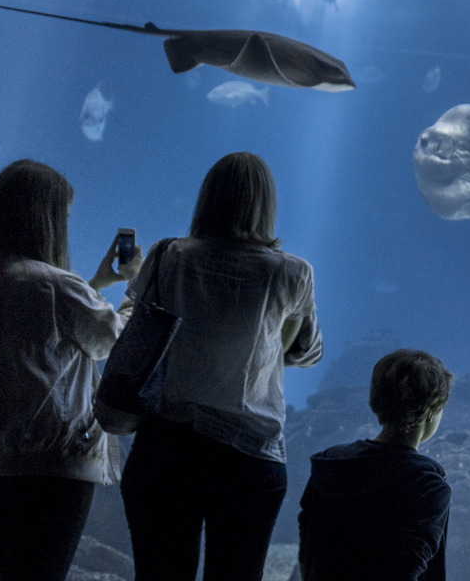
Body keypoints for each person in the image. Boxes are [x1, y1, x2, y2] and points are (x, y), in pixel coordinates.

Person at [119, 151, 323, 581]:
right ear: (267, 204)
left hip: (165, 450)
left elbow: (137, 326)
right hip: (247, 457)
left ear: (206, 198)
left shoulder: (165, 255)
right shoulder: (292, 273)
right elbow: (306, 352)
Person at [0, 159, 139, 581]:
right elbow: (114, 342)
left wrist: (95, 285)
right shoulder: (56, 286)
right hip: (47, 473)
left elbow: (45, 333)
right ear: (43, 219)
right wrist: (135, 286)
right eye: (62, 218)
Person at [298, 349, 455, 581]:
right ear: (432, 411)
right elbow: (406, 569)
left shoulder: (330, 463)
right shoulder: (428, 486)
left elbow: (307, 547)